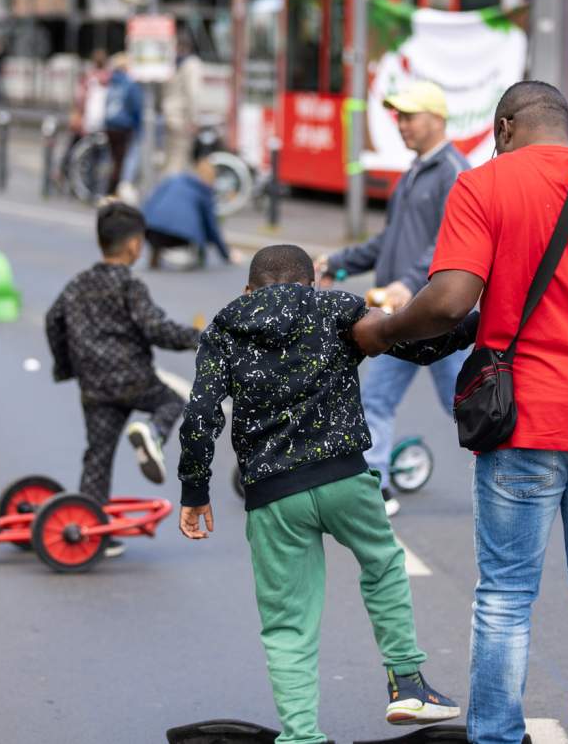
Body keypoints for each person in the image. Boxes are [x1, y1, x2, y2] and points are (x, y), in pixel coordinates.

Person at [351, 81, 568, 744]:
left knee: (506, 593)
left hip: (524, 419)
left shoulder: (485, 185)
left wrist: (381, 331)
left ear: (504, 127)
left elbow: (449, 299)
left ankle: (499, 735)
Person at [178, 244, 472, 744]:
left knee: (287, 622)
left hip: (273, 496)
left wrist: (195, 491)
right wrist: (485, 319)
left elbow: (200, 416)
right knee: (381, 564)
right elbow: (421, 345)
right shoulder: (335, 309)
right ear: (310, 281)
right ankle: (406, 682)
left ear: (249, 288)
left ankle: (301, 735)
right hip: (344, 480)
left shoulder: (225, 328)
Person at [318, 79, 469, 517]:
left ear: (436, 119)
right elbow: (389, 241)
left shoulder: (452, 172)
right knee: (377, 399)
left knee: (464, 403)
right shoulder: (413, 173)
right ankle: (376, 487)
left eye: (409, 116)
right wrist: (338, 263)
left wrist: (409, 281)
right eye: (398, 116)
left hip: (439, 312)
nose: (400, 124)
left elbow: (449, 241)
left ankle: (519, 467)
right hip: (400, 315)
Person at [44, 202, 201, 558]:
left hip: (94, 386)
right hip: (133, 377)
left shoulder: (77, 285)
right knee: (171, 402)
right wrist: (197, 338)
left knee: (97, 457)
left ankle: (89, 531)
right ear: (133, 245)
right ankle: (153, 434)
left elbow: (53, 322)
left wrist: (66, 366)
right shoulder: (129, 285)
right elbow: (155, 328)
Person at [142, 144, 240, 270]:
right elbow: (211, 226)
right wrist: (226, 255)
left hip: (152, 230)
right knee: (198, 225)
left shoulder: (174, 179)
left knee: (164, 226)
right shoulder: (205, 191)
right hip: (181, 236)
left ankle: (155, 253)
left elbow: (151, 201)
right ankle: (198, 257)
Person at [60, 49, 109, 191]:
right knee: (96, 156)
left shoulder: (88, 78)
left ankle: (67, 178)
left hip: (85, 124)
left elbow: (79, 99)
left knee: (74, 152)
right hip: (102, 125)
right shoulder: (109, 78)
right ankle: (91, 186)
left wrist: (76, 114)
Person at [160, 32, 203, 178]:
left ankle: (164, 190)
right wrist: (194, 119)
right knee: (178, 160)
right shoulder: (192, 64)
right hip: (182, 118)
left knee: (169, 158)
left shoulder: (170, 64)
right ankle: (170, 195)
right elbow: (193, 94)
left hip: (167, 115)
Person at [102, 53, 143, 199]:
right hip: (123, 126)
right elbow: (136, 106)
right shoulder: (129, 83)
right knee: (122, 161)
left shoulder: (112, 82)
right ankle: (114, 191)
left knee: (112, 159)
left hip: (109, 125)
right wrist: (139, 127)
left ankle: (108, 188)